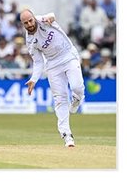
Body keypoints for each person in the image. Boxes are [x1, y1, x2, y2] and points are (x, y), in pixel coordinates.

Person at [20, 9, 82, 147]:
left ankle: (77, 99)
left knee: (77, 87)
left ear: (33, 17)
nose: (30, 24)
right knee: (60, 99)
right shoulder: (30, 41)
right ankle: (67, 135)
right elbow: (38, 62)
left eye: (30, 20)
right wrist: (34, 79)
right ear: (22, 24)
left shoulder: (41, 20)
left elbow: (52, 15)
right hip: (52, 64)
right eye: (26, 23)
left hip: (68, 55)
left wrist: (50, 18)